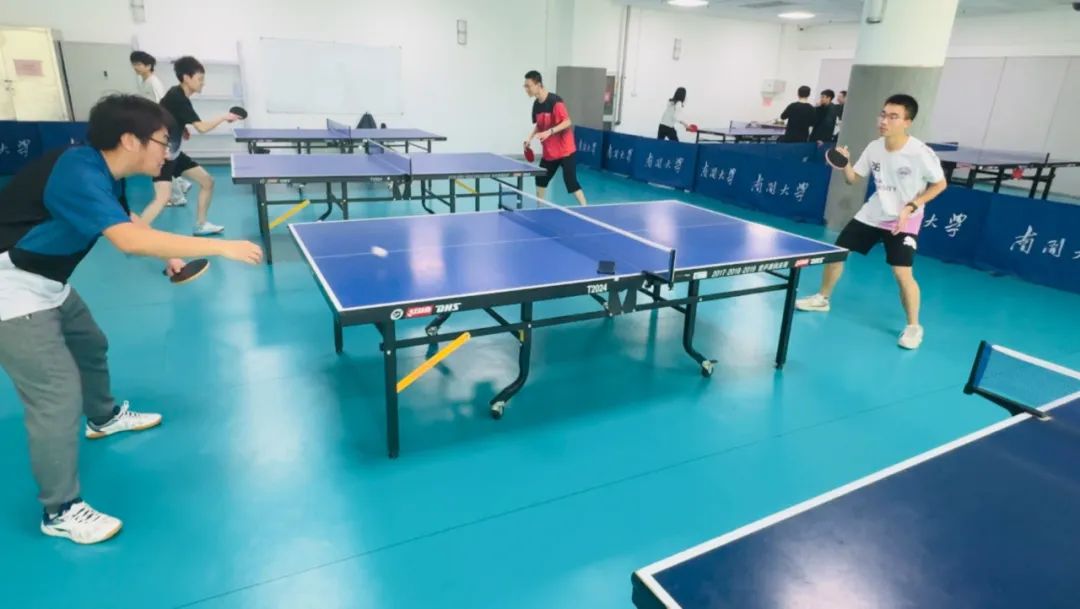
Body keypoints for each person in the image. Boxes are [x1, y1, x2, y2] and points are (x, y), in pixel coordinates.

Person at [0, 93, 263, 544]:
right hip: (11, 286)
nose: (167, 152)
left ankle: (103, 417)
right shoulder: (76, 171)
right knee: (56, 397)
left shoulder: (103, 170)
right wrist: (222, 246)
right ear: (129, 140)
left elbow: (128, 222)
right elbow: (128, 241)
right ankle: (59, 510)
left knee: (90, 343)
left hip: (47, 279)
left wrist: (171, 257)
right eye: (162, 141)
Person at [795, 94, 947, 350]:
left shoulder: (920, 153)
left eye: (893, 116)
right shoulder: (875, 147)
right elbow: (853, 179)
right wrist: (845, 164)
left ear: (907, 122)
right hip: (873, 213)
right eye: (883, 114)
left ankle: (913, 326)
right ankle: (822, 298)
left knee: (902, 273)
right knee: (837, 253)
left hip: (905, 219)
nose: (884, 121)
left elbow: (940, 184)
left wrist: (911, 206)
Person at [140, 55, 239, 235]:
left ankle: (200, 225)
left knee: (207, 181)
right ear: (186, 78)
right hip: (163, 156)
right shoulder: (178, 98)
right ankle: (136, 232)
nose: (203, 83)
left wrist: (181, 126)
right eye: (200, 79)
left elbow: (164, 115)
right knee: (162, 199)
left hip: (174, 154)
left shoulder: (175, 94)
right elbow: (202, 128)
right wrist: (224, 117)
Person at [130, 50, 190, 206]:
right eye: (134, 64)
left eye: (138, 64)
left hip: (160, 126)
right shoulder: (143, 81)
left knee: (162, 162)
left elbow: (163, 107)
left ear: (148, 66)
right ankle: (182, 184)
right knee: (166, 159)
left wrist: (164, 129)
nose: (135, 67)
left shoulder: (153, 83)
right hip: (153, 125)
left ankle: (176, 197)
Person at [522, 70, 587, 206]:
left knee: (571, 181)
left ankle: (586, 209)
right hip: (550, 152)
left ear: (538, 85)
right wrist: (529, 138)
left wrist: (549, 132)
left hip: (565, 150)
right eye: (525, 86)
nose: (526, 89)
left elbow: (567, 122)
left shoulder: (555, 101)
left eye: (528, 86)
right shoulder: (536, 105)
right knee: (540, 179)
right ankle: (539, 209)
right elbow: (539, 125)